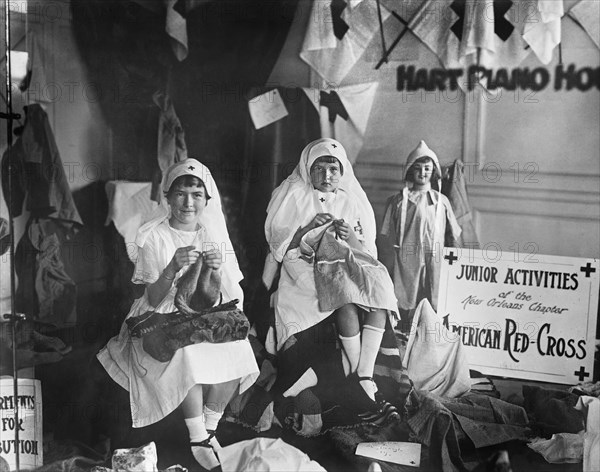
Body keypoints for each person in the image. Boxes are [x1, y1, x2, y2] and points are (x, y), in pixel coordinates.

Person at [97, 158, 259, 470]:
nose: (188, 202)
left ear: (206, 201)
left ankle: (209, 428)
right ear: (169, 198)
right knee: (189, 354)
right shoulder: (153, 236)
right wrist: (172, 267)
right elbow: (153, 297)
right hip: (162, 315)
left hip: (202, 313)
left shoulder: (212, 236)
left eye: (197, 195)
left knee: (240, 351)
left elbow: (227, 296)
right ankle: (197, 436)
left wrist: (213, 272)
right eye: (181, 194)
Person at [264, 138, 399, 419]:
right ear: (307, 170)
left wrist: (350, 238)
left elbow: (366, 251)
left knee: (381, 289)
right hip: (304, 265)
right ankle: (353, 375)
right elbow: (279, 249)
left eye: (333, 170)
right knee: (343, 298)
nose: (327, 176)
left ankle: (363, 373)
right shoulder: (295, 196)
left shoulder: (351, 201)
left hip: (346, 262)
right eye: (320, 169)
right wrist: (304, 231)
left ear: (343, 172)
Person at [379, 140, 461, 319]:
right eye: (417, 168)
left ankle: (432, 325)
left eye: (427, 168)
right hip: (408, 255)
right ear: (410, 170)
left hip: (435, 254)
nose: (422, 173)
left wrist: (454, 255)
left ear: (433, 171)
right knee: (407, 292)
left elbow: (453, 234)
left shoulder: (441, 201)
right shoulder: (398, 200)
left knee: (434, 291)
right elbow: (385, 235)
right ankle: (406, 325)